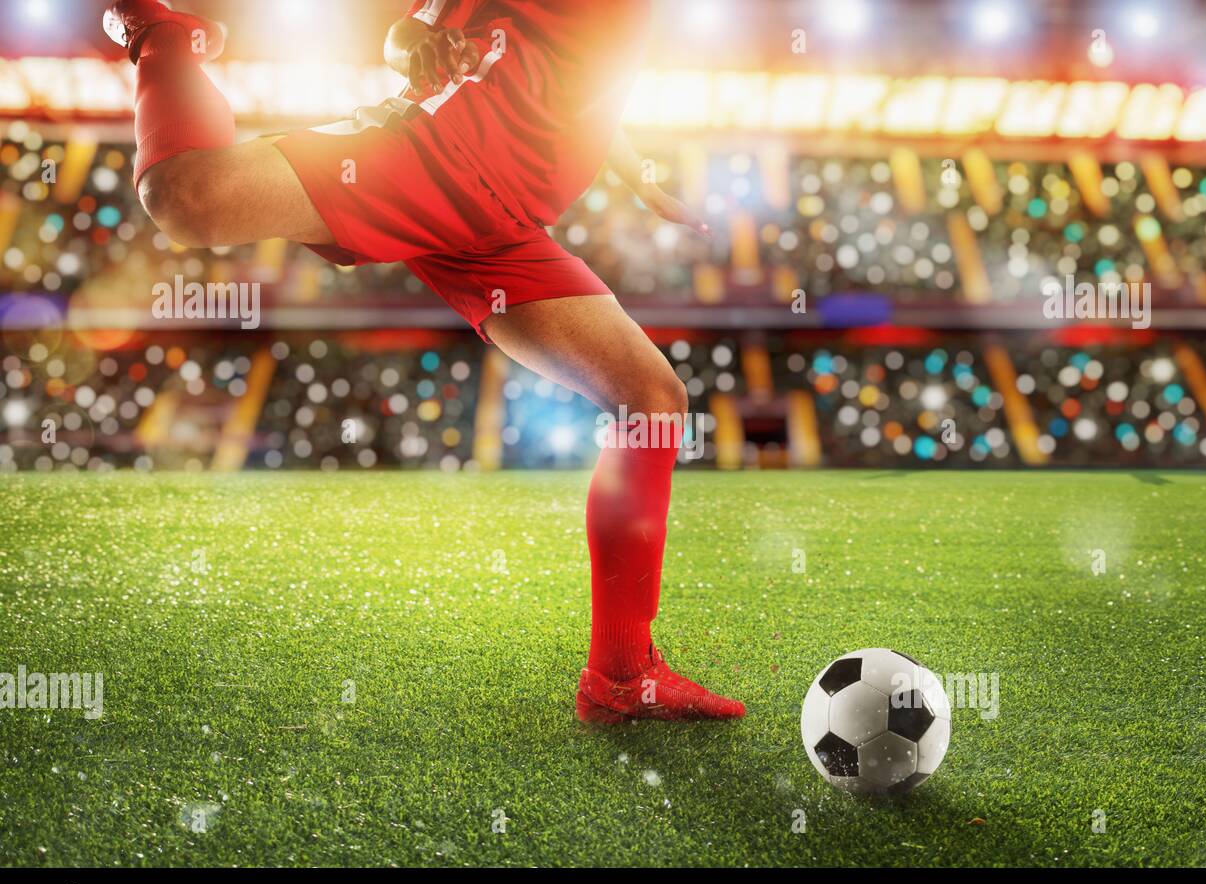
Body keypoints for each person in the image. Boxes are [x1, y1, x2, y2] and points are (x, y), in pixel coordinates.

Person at [102, 0, 745, 721]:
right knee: (190, 197)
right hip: (442, 151)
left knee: (652, 402)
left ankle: (623, 675)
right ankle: (158, 29)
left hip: (505, 224)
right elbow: (411, 29)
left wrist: (637, 173)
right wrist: (419, 49)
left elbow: (590, 78)